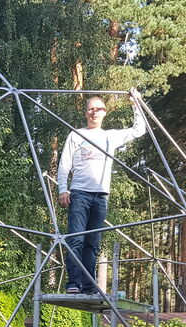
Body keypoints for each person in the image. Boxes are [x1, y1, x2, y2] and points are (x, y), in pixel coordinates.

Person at [56, 89, 146, 294]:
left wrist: (135, 104)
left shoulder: (110, 137)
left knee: (93, 243)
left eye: (98, 109)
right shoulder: (76, 135)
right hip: (78, 193)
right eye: (90, 109)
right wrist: (63, 189)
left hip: (101, 196)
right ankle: (73, 283)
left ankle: (88, 285)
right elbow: (64, 165)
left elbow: (138, 130)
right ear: (85, 113)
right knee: (76, 238)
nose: (94, 112)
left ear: (105, 112)